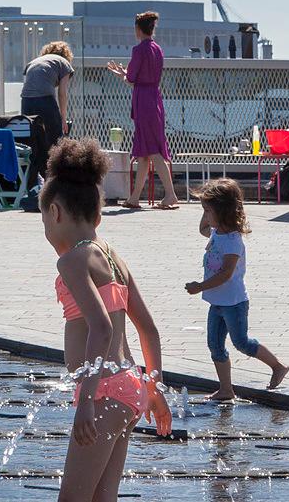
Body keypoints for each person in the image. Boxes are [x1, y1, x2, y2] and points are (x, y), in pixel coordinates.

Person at [39, 138, 170, 502]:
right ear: (97, 216)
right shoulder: (112, 256)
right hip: (128, 387)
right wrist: (153, 389)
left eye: (43, 220)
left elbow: (102, 327)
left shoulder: (72, 261)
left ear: (55, 213)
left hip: (104, 390)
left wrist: (87, 399)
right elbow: (149, 328)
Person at [185, 178, 289, 401]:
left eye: (208, 210)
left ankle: (278, 366)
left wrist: (199, 287)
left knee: (241, 342)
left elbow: (226, 274)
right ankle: (225, 389)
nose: (205, 215)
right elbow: (203, 228)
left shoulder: (232, 241)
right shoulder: (216, 232)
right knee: (214, 344)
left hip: (234, 303)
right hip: (217, 302)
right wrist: (206, 209)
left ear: (222, 212)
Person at [106, 11, 178, 210]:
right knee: (145, 151)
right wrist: (127, 74)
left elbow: (132, 80)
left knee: (152, 150)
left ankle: (170, 195)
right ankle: (135, 197)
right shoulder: (157, 49)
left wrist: (124, 75)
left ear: (139, 29)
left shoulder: (139, 50)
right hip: (154, 98)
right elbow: (141, 78)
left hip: (143, 102)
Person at [20, 41, 76, 210]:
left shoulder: (35, 61)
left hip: (26, 101)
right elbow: (62, 93)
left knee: (34, 143)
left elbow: (30, 83)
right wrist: (63, 118)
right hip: (45, 99)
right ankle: (57, 189)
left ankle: (33, 187)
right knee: (56, 145)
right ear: (66, 55)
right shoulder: (64, 64)